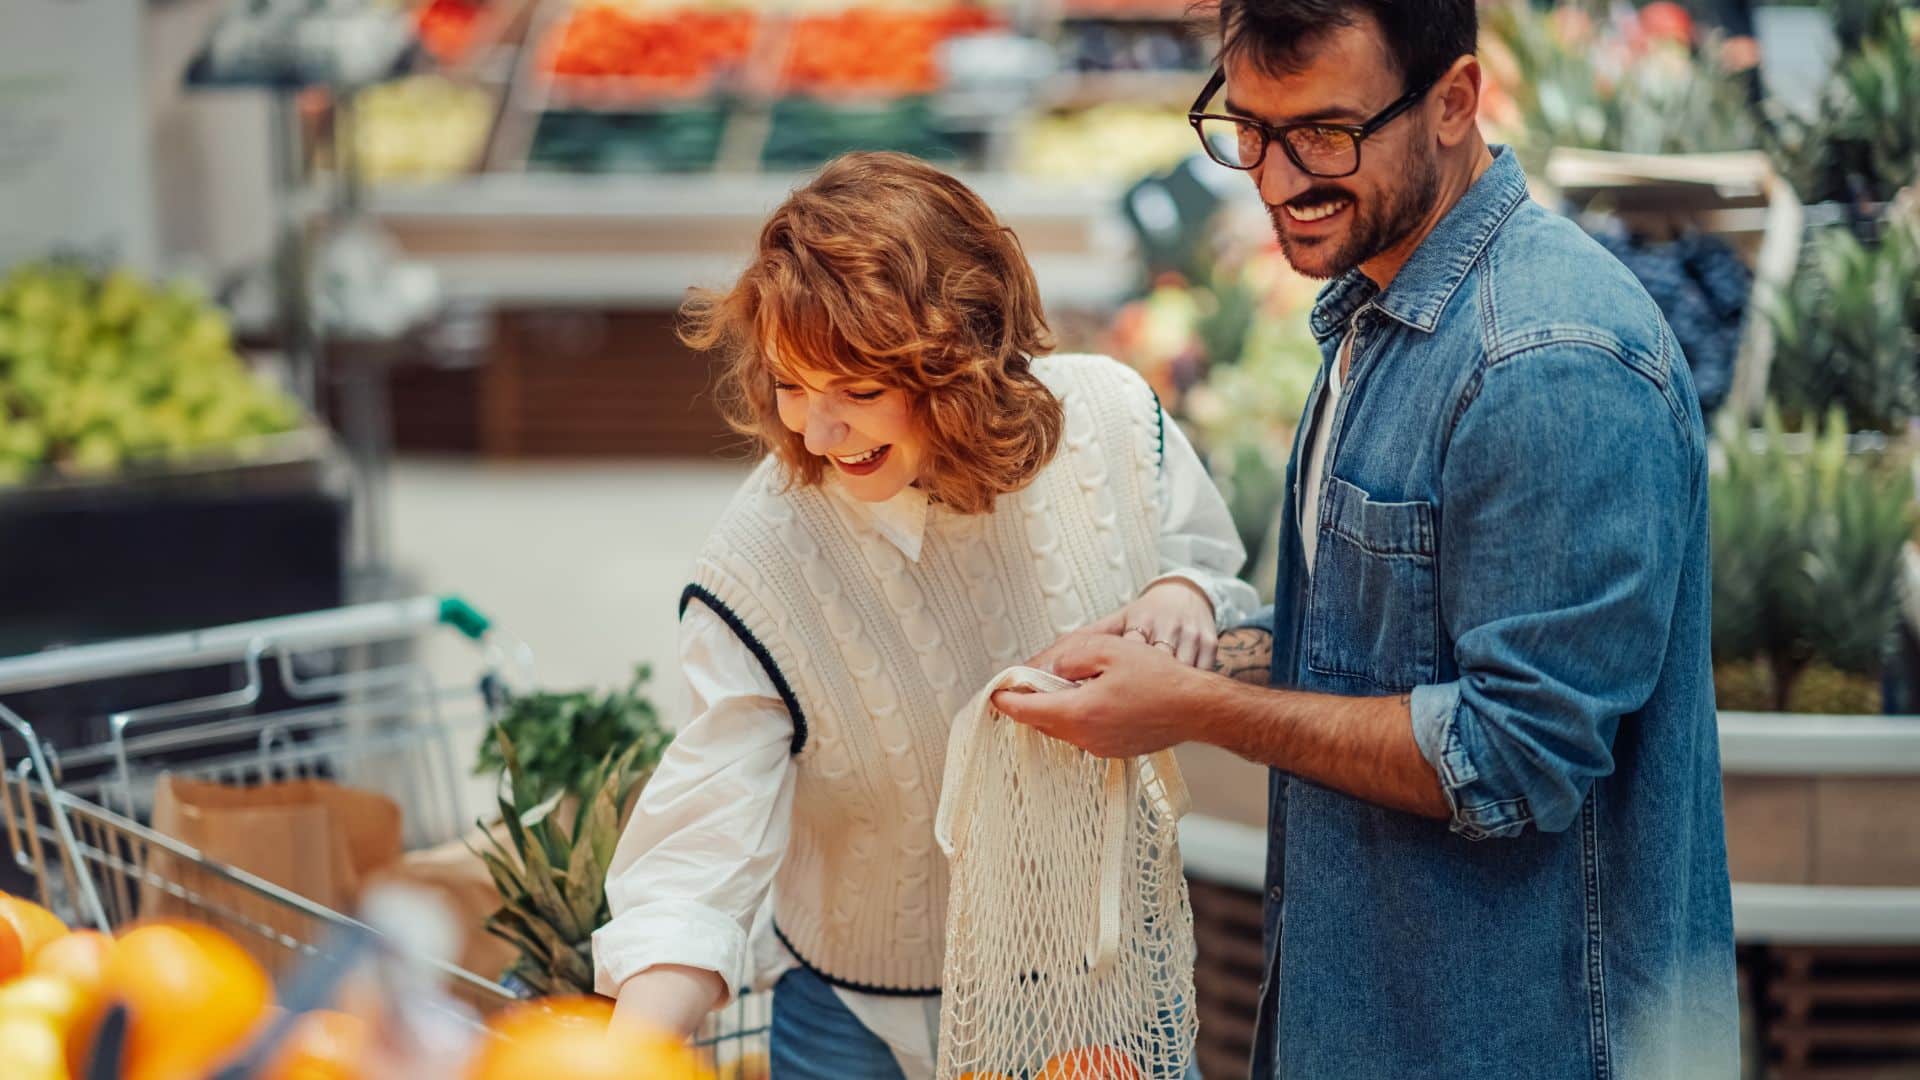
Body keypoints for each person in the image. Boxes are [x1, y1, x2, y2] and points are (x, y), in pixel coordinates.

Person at [991, 0, 1740, 1075]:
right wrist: (1197, 648)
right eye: (1249, 128)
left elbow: (1515, 759)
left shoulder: (1544, 360)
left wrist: (1202, 709)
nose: (1279, 180)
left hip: (1522, 1039)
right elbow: (1387, 648)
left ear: (1454, 101)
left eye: (1326, 136)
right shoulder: (1378, 307)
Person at [591, 151, 1257, 1080]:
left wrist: (1179, 594)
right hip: (858, 1020)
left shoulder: (1110, 420)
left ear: (965, 359)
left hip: (1095, 996)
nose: (818, 435)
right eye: (790, 385)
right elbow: (705, 837)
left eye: (859, 392)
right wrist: (628, 1053)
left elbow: (1204, 562)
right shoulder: (760, 562)